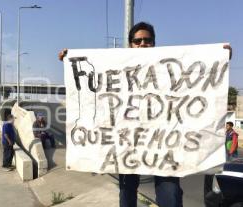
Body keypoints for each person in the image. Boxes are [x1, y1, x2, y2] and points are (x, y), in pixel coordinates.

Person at [58, 21, 232, 207]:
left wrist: (219, 57)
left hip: (165, 147)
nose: (142, 44)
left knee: (170, 195)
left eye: (147, 40)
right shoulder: (119, 67)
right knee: (126, 194)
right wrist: (69, 60)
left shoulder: (168, 67)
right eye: (137, 40)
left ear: (154, 43)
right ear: (131, 44)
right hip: (128, 145)